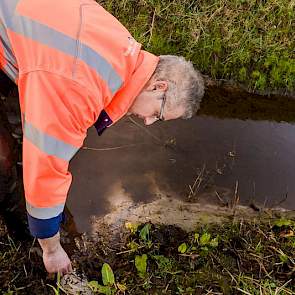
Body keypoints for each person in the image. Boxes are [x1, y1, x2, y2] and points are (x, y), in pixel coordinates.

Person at [0, 0, 204, 274]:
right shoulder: (79, 88)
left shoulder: (121, 45)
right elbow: (45, 170)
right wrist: (51, 249)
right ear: (159, 86)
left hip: (18, 30)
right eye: (158, 113)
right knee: (4, 161)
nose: (148, 121)